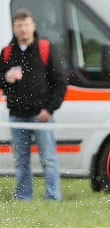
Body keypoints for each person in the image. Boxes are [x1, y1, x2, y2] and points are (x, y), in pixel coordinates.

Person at [0, 9, 66, 201]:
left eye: (26, 25)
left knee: (49, 160)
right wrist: (6, 77)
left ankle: (53, 196)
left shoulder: (45, 48)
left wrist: (49, 109)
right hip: (17, 115)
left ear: (33, 27)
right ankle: (23, 196)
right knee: (21, 161)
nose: (23, 29)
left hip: (41, 115)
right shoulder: (7, 52)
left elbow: (60, 82)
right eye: (19, 25)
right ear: (14, 27)